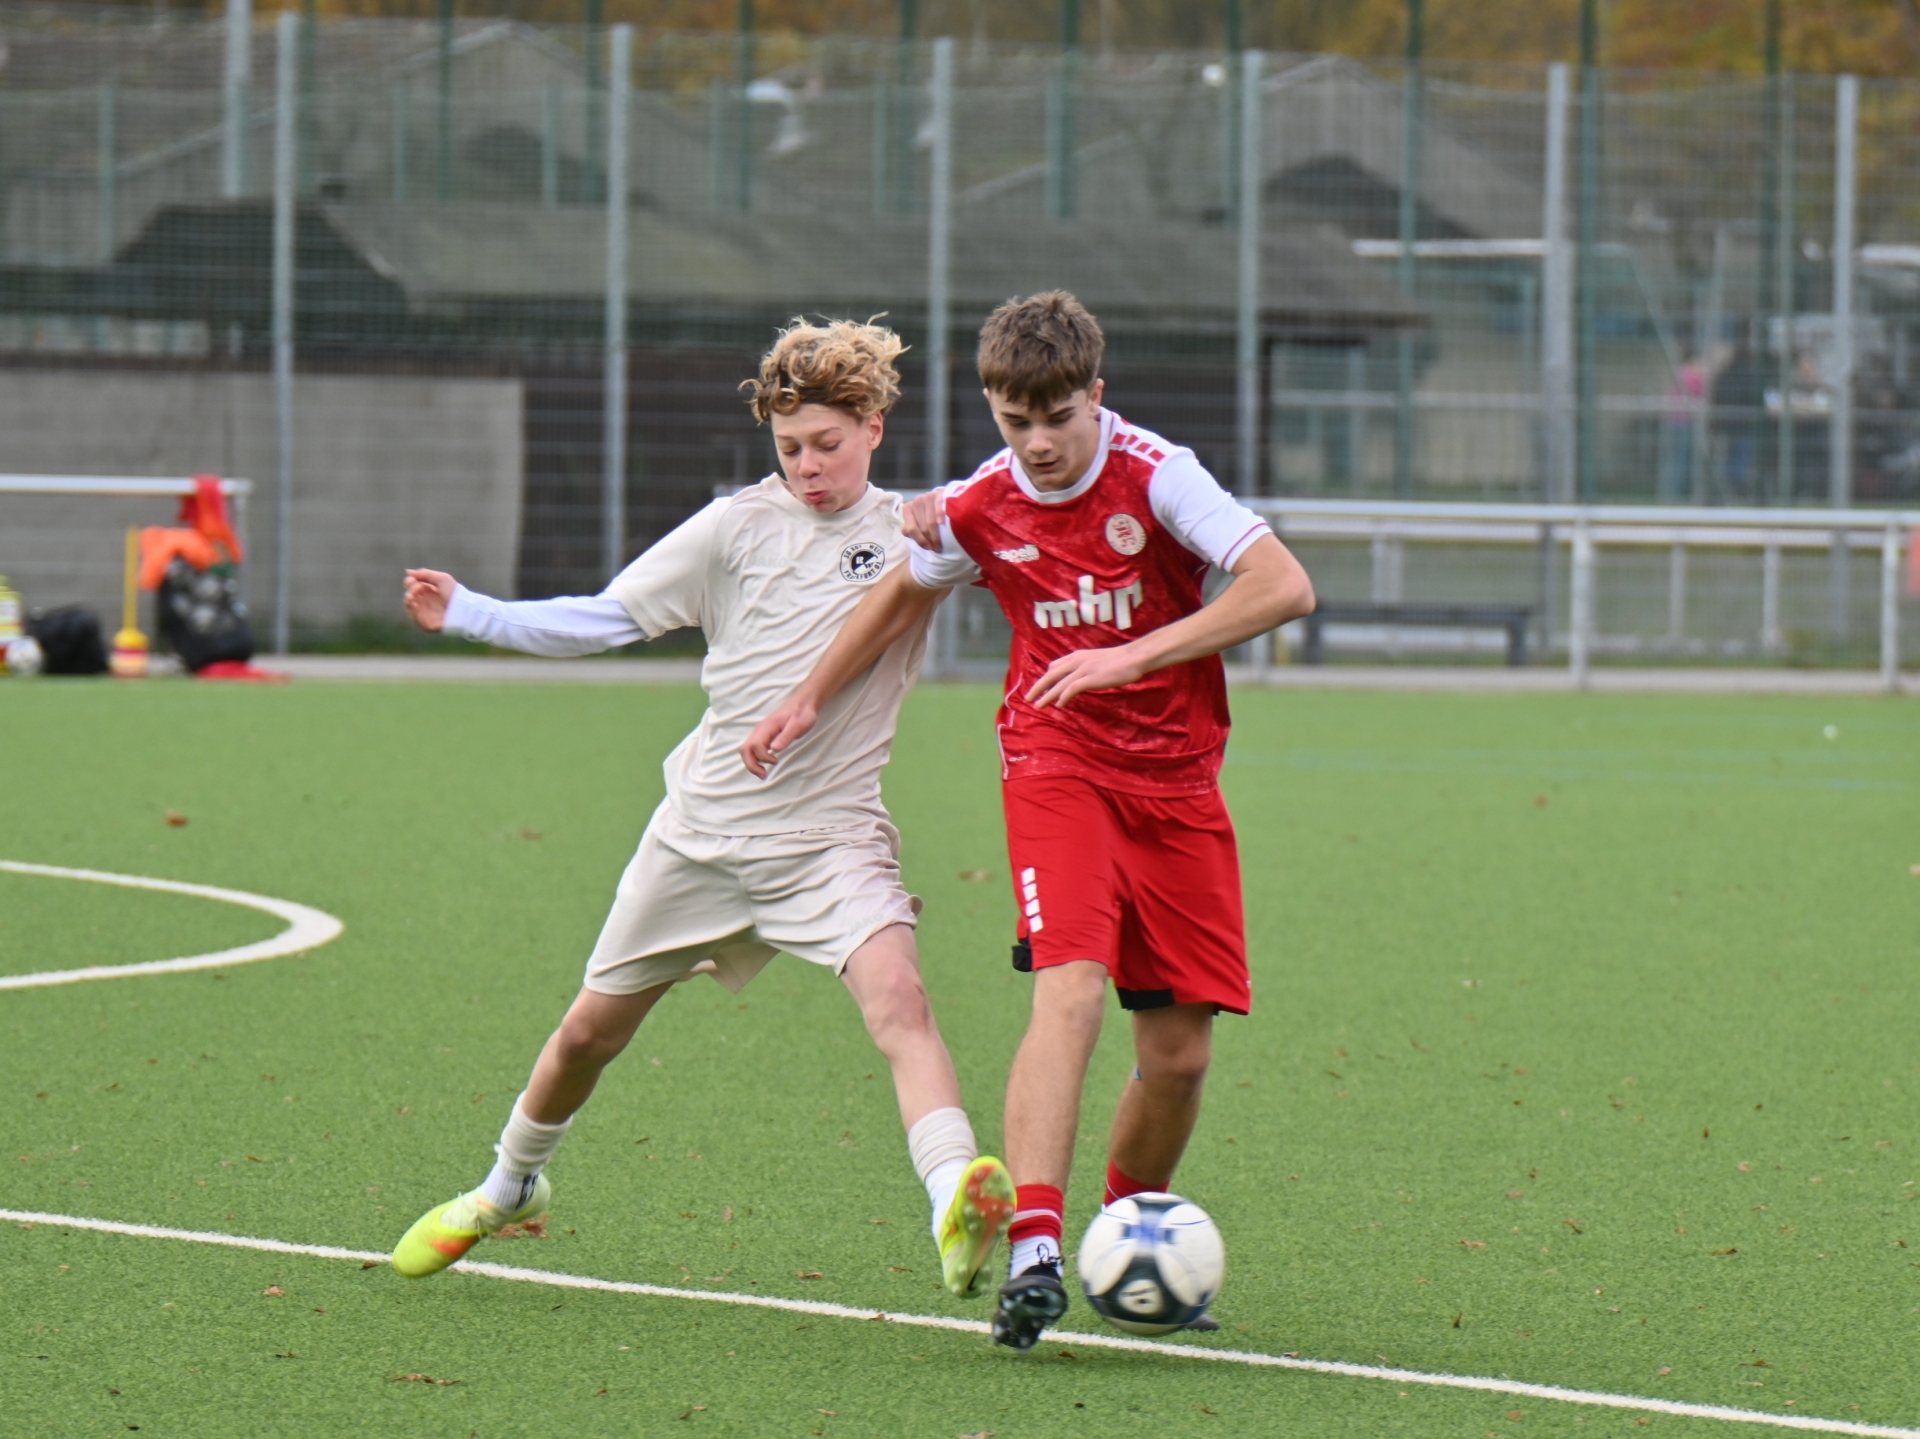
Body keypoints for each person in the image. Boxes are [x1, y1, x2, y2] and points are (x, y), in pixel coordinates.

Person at [389, 319, 1014, 1298]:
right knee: (587, 1035)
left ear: (874, 427)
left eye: (827, 444)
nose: (808, 466)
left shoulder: (918, 530)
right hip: (700, 837)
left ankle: (954, 1202)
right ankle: (508, 1186)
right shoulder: (733, 527)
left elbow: (1038, 526)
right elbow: (607, 616)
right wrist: (473, 611)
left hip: (831, 837)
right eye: (790, 447)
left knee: (901, 999)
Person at [743, 292, 1316, 1349]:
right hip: (1055, 766)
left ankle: (1122, 1232)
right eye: (1016, 421)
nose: (1040, 443)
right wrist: (808, 695)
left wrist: (1129, 655)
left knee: (1179, 1056)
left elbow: (1283, 586)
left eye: (1058, 417)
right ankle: (1036, 1251)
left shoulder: (1159, 474)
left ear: (1096, 394)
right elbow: (902, 593)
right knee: (1072, 988)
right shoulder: (984, 502)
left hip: (1180, 785)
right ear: (992, 406)